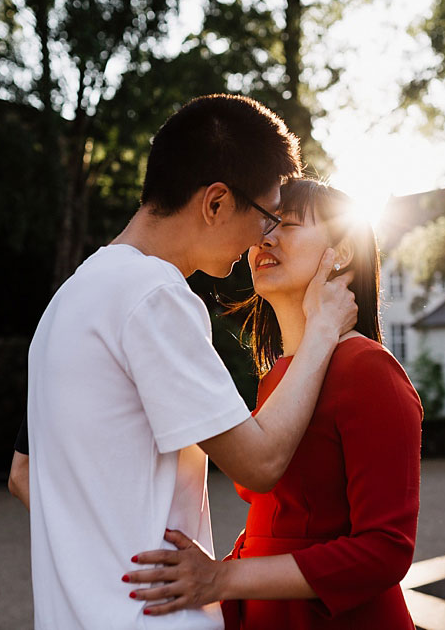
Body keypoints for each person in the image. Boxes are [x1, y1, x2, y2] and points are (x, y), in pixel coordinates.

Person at [25, 96, 357, 629]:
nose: (264, 238)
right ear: (216, 203)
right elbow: (260, 463)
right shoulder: (154, 296)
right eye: (268, 215)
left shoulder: (67, 300)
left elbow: (23, 475)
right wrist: (321, 331)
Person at [124, 179, 424, 629]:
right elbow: (273, 520)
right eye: (264, 224)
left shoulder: (368, 370)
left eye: (288, 224)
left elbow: (385, 549)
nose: (265, 237)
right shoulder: (279, 376)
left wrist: (223, 579)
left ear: (341, 252)